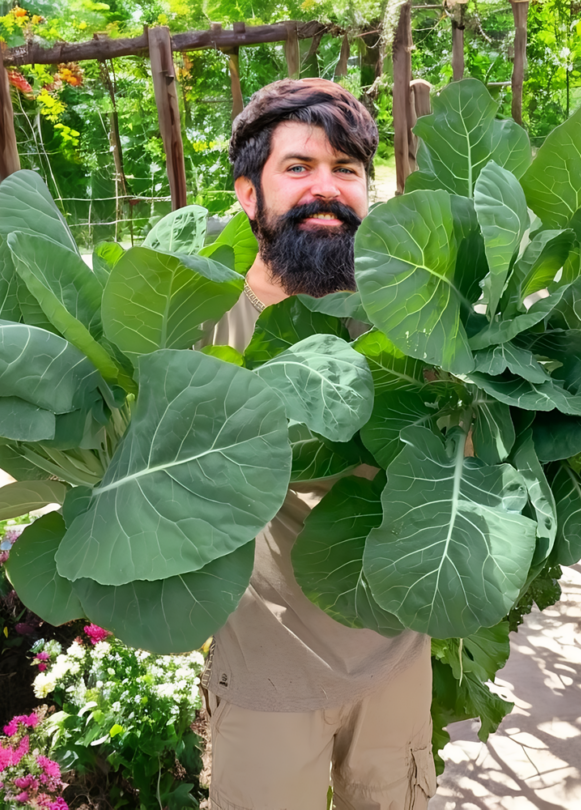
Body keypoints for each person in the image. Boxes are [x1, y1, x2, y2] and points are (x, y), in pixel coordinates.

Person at [200, 78, 437, 810]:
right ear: (249, 193)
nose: (325, 189)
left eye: (347, 170)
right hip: (267, 674)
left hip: (396, 657)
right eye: (298, 168)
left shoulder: (411, 311)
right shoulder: (202, 324)